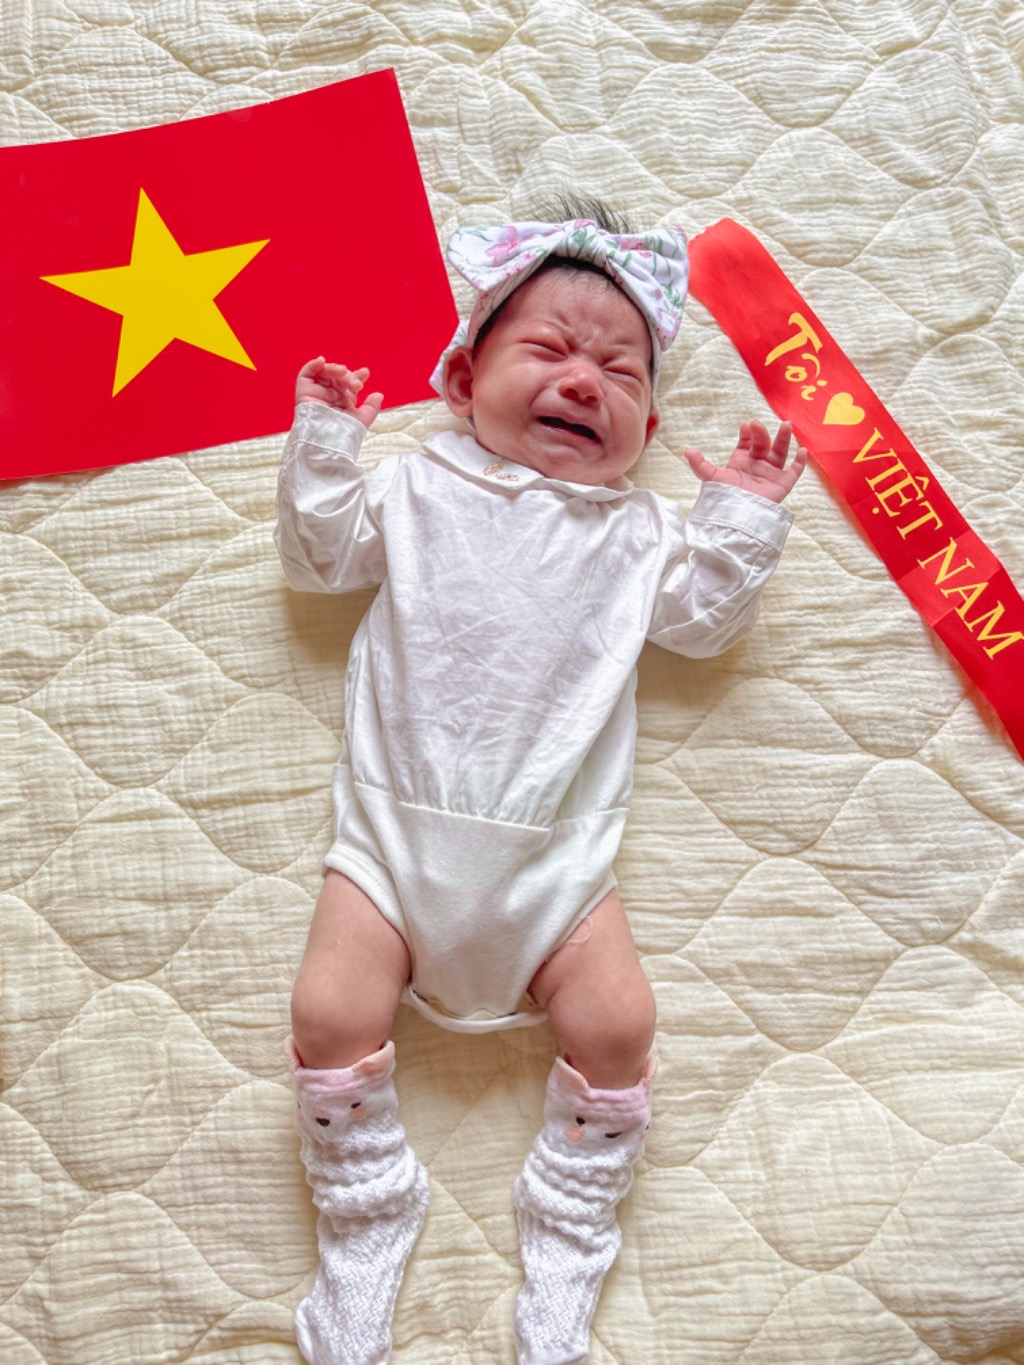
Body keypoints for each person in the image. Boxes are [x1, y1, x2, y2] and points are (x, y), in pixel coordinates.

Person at [274, 200, 806, 1365]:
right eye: (550, 350)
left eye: (619, 372)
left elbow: (702, 628)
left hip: (558, 863)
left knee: (619, 1023)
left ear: (647, 426)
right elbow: (319, 564)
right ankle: (367, 1210)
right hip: (393, 847)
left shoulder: (640, 534)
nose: (581, 380)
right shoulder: (415, 490)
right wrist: (325, 445)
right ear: (463, 380)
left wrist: (739, 518)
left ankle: (568, 1229)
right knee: (326, 1014)